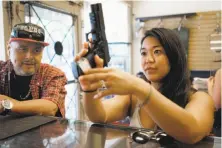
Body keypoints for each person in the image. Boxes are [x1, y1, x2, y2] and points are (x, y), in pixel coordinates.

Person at [75, 28, 214, 144]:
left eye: (157, 52)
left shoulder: (200, 98)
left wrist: (141, 88)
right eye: (143, 53)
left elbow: (191, 133)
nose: (148, 60)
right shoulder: (134, 97)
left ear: (174, 56)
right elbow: (99, 115)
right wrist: (90, 88)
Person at [0, 23, 67, 117]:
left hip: (45, 131)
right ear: (9, 49)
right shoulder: (1, 70)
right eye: (22, 49)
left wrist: (6, 103)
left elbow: (50, 107)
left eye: (37, 50)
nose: (29, 57)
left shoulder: (52, 74)